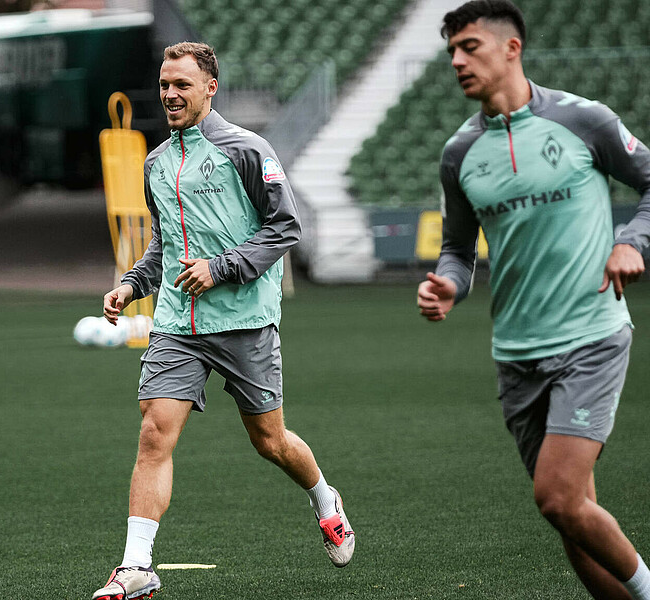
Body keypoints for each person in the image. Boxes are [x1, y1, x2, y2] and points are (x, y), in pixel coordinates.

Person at [91, 42, 355, 600]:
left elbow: (285, 227)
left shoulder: (247, 149)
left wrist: (221, 267)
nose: (170, 94)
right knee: (153, 433)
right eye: (164, 85)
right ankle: (136, 567)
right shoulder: (156, 163)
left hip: (244, 321)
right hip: (176, 325)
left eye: (182, 85)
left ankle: (325, 499)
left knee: (270, 441)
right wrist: (132, 285)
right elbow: (164, 243)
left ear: (211, 88)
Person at [417, 1, 650, 598]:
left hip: (591, 336)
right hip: (516, 352)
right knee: (571, 517)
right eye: (451, 50)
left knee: (558, 497)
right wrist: (448, 284)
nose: (457, 60)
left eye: (470, 47)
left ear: (511, 48)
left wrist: (632, 241)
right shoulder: (459, 153)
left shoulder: (584, 120)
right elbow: (458, 249)